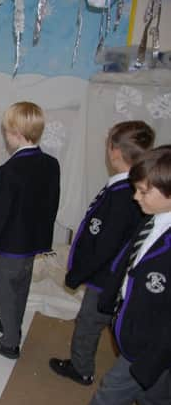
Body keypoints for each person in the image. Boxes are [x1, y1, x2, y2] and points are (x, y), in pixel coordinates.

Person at [50, 121, 155, 385]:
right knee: (106, 318)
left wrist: (76, 274)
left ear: (114, 151)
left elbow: (105, 246)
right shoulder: (128, 188)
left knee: (88, 323)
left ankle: (81, 368)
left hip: (104, 278)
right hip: (110, 273)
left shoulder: (124, 196)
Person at [88, 145, 171, 405]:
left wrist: (150, 361)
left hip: (149, 349)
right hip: (134, 330)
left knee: (107, 399)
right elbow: (130, 262)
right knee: (155, 399)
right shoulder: (152, 218)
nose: (136, 197)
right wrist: (110, 297)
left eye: (145, 191)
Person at [0, 101, 60, 359]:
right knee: (21, 286)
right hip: (34, 241)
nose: (5, 137)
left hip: (13, 244)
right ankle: (14, 323)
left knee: (3, 289)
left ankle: (10, 342)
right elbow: (52, 203)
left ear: (17, 134)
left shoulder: (10, 170)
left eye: (6, 132)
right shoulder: (51, 163)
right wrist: (43, 237)